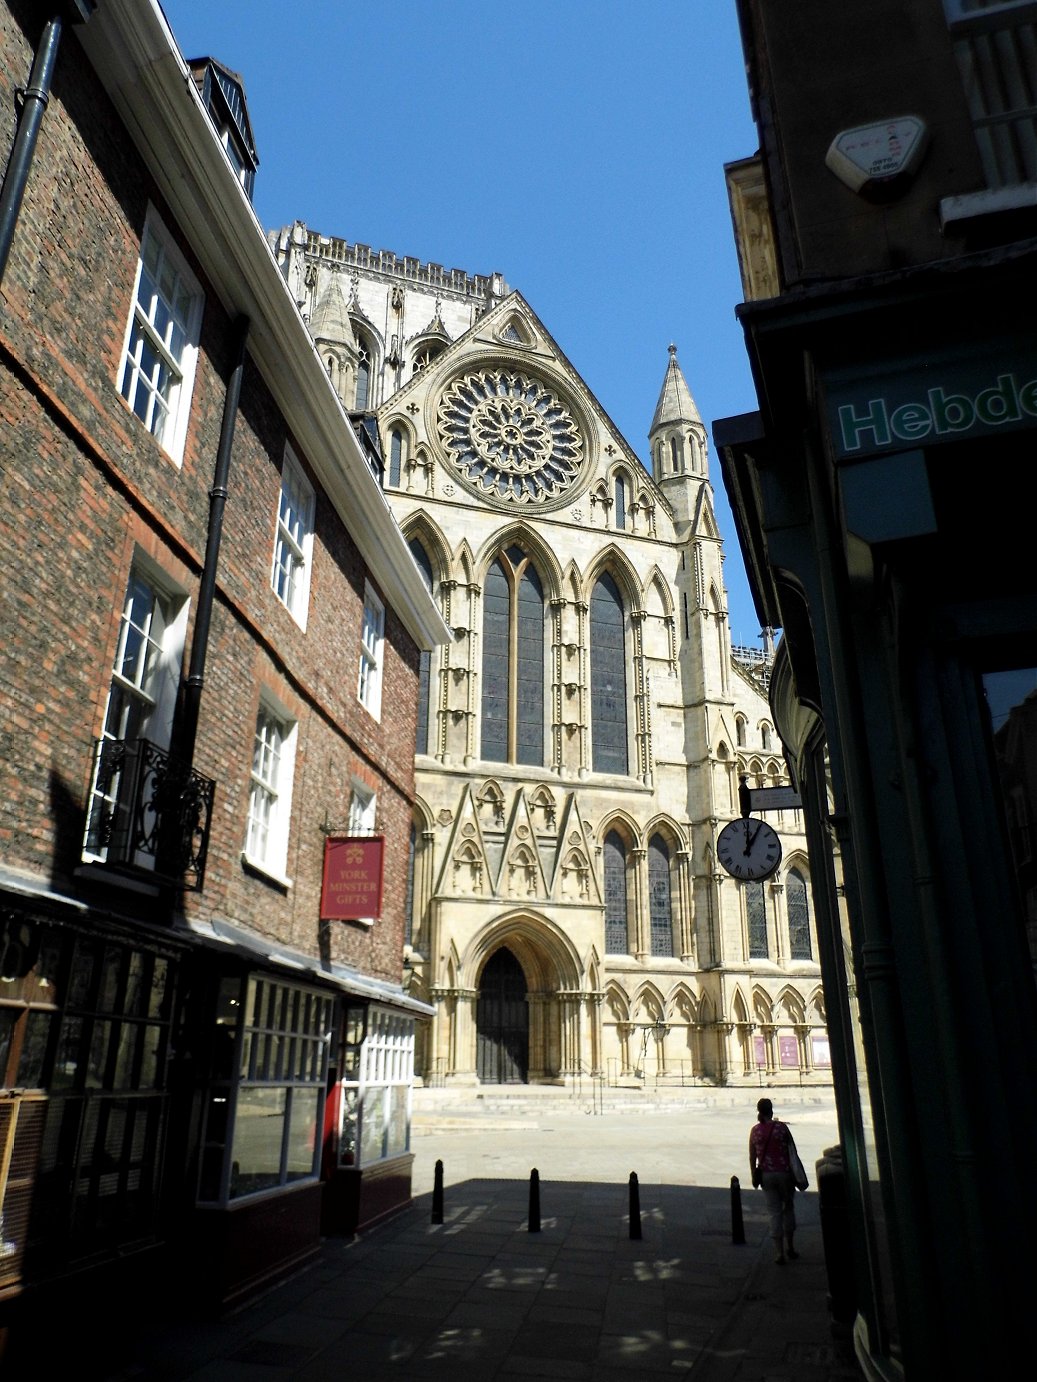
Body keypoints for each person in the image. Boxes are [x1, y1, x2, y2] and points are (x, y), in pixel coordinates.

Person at [749, 1096, 798, 1264]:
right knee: (788, 1209)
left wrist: (753, 1174)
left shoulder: (755, 1131)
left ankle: (779, 1253)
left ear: (759, 1112)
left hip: (767, 1175)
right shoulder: (781, 1128)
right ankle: (790, 1247)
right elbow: (792, 1150)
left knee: (774, 1213)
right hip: (784, 1173)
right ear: (771, 1110)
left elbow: (752, 1156)